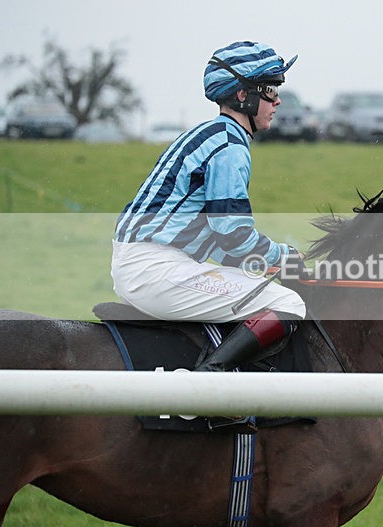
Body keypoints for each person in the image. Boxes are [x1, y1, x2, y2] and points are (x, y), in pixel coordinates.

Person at [111, 41, 306, 376]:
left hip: (151, 263)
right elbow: (234, 236)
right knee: (288, 304)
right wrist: (284, 256)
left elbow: (220, 239)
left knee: (259, 287)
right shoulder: (229, 146)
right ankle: (208, 383)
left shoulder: (212, 134)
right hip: (158, 269)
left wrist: (263, 264)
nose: (277, 100)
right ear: (243, 96)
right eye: (270, 90)